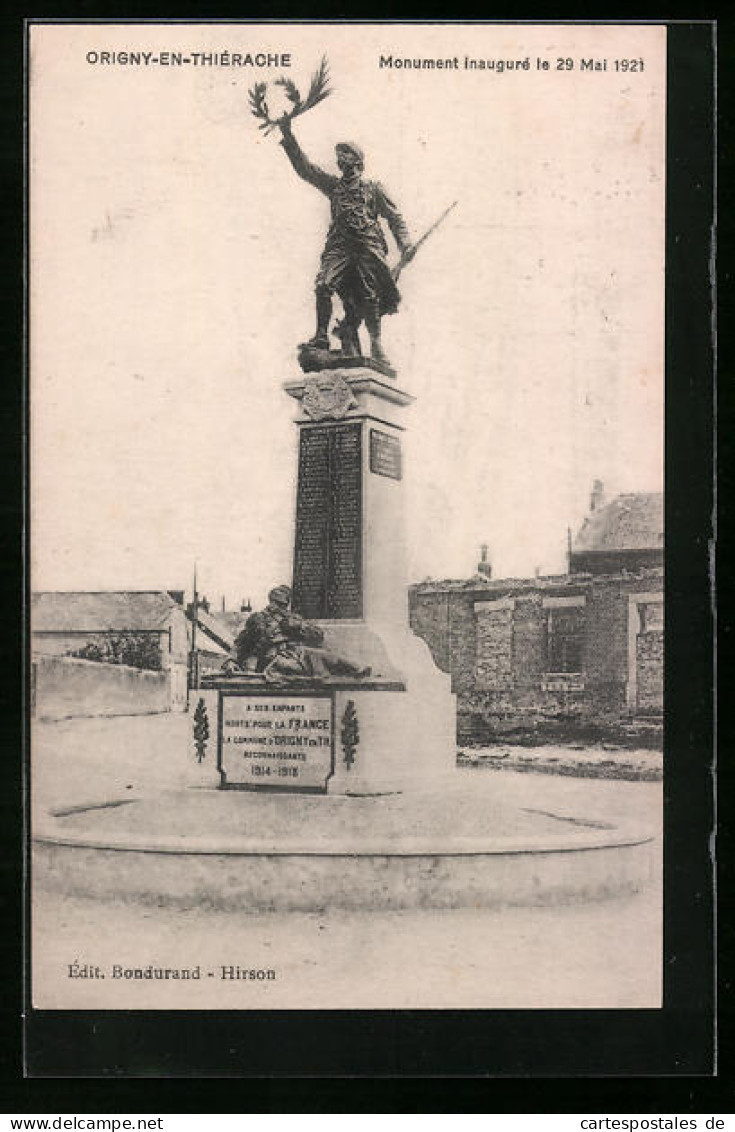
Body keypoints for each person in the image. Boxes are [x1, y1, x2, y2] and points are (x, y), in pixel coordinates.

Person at [278, 117, 414, 368]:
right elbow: (305, 169)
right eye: (338, 153)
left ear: (358, 161)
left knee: (370, 296)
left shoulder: (373, 188)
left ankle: (376, 344)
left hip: (367, 246)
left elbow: (395, 218)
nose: (340, 157)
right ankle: (321, 337)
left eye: (346, 153)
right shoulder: (334, 186)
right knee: (322, 284)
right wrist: (288, 136)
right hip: (340, 246)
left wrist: (405, 243)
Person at [234, 585, 371, 682]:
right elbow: (241, 642)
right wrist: (231, 660)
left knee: (323, 654)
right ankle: (354, 669)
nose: (280, 607)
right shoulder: (259, 618)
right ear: (271, 602)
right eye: (278, 604)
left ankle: (356, 668)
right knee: (315, 656)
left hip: (296, 655)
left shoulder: (293, 618)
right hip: (274, 659)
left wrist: (299, 626)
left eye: (283, 605)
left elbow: (318, 635)